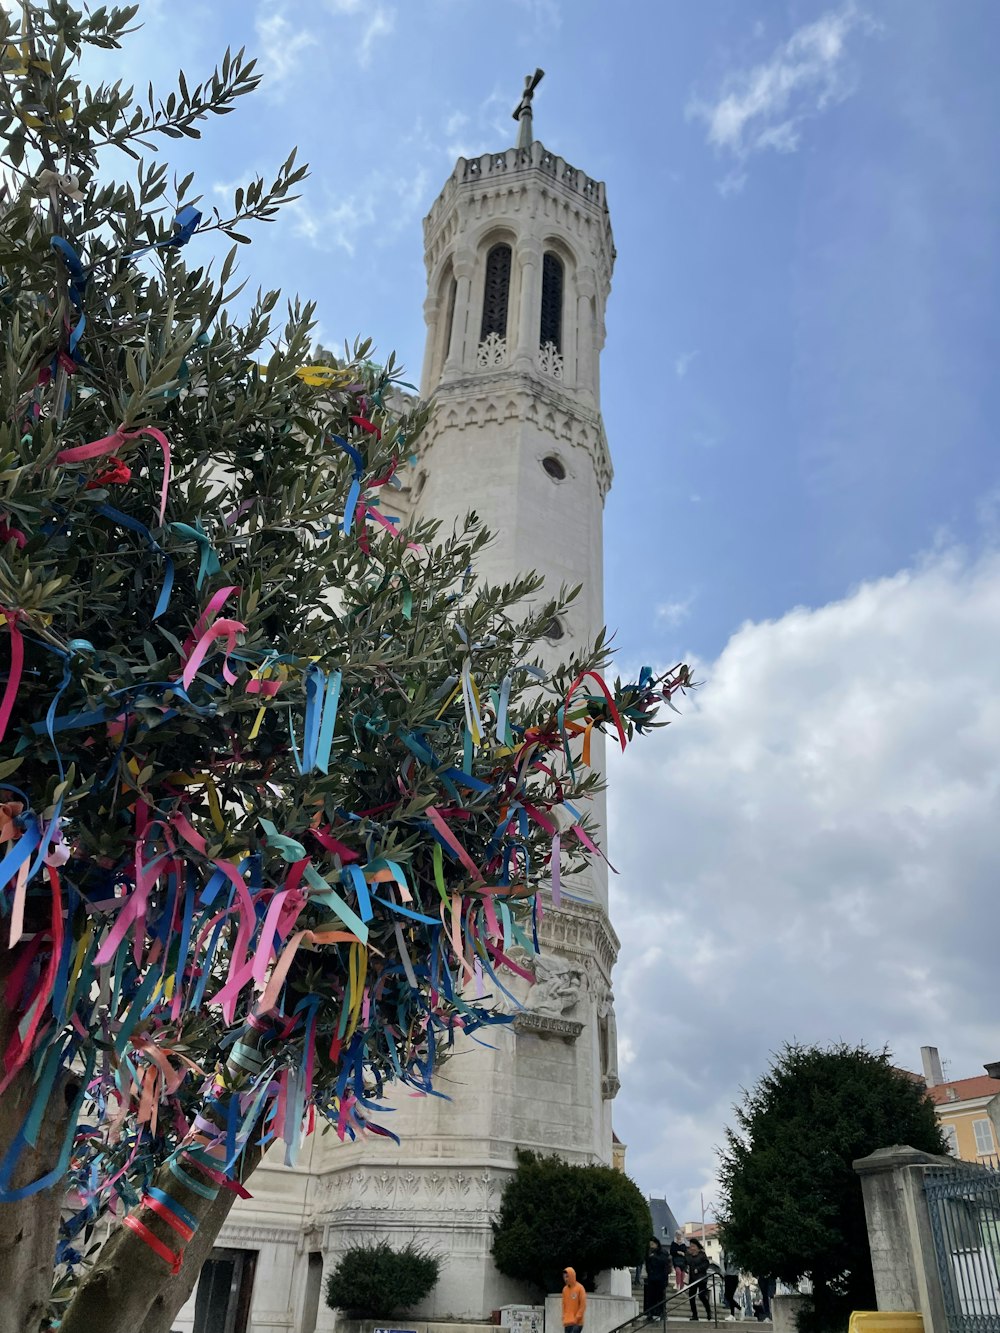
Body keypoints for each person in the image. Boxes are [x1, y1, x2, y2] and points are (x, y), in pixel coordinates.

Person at [685, 1240, 713, 1322]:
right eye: (691, 1246)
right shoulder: (689, 1255)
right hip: (692, 1279)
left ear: (697, 1247)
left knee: (702, 1296)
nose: (692, 1248)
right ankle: (694, 1315)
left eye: (693, 1246)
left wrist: (699, 1269)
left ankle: (708, 1312)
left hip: (701, 1279)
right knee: (691, 1296)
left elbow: (706, 1264)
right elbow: (686, 1262)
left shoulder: (702, 1255)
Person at [642, 1238, 669, 1319]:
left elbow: (664, 1261)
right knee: (651, 1296)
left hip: (661, 1278)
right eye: (650, 1245)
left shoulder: (662, 1252)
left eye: (653, 1244)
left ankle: (662, 1312)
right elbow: (647, 1263)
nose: (651, 1246)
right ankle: (650, 1313)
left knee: (661, 1296)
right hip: (652, 1277)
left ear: (657, 1244)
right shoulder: (649, 1253)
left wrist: (654, 1257)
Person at [562, 1265, 587, 1333]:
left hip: (577, 1323)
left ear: (572, 1276)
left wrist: (577, 1318)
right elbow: (564, 1305)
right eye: (564, 1277)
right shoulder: (565, 1290)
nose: (566, 1279)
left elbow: (583, 1305)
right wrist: (564, 1317)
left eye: (567, 1276)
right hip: (567, 1322)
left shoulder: (580, 1288)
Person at [721, 1253, 740, 1321]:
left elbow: (727, 1263)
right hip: (730, 1275)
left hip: (732, 1275)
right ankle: (733, 1314)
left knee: (728, 1296)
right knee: (728, 1296)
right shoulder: (725, 1252)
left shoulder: (731, 1253)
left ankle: (737, 1310)